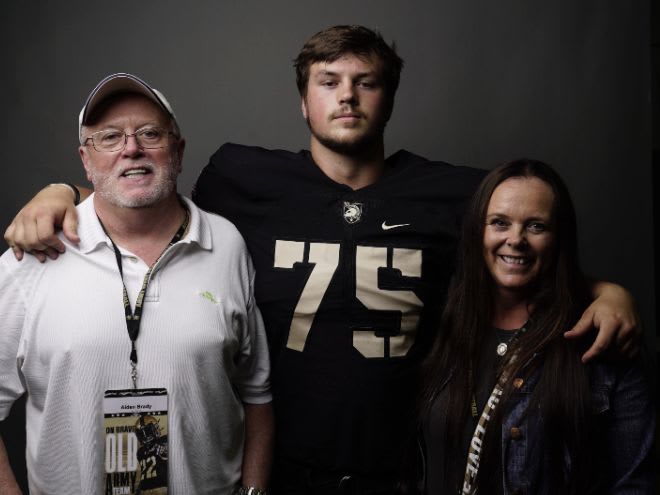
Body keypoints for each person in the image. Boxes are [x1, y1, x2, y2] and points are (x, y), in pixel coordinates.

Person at [3, 26, 640, 494]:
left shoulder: (453, 191)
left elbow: (519, 251)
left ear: (389, 97)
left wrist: (605, 290)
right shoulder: (243, 178)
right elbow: (139, 198)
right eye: (329, 82)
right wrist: (61, 193)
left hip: (404, 464)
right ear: (301, 101)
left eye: (366, 83)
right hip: (282, 464)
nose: (348, 98)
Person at [0, 73, 273, 495]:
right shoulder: (35, 254)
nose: (132, 148)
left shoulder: (227, 245)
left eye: (150, 134)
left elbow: (257, 391)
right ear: (85, 160)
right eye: (109, 137)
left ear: (178, 152)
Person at [416, 159, 655, 494]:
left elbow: (634, 485)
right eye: (499, 223)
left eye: (536, 226)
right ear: (477, 231)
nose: (516, 239)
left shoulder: (602, 340)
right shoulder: (442, 325)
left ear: (559, 238)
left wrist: (615, 294)